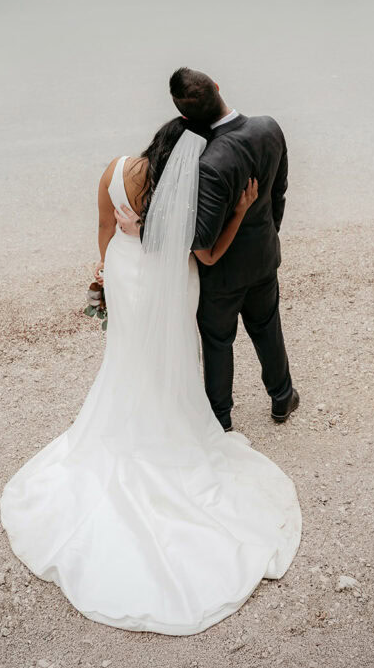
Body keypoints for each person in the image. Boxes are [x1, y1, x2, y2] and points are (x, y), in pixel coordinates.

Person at [0, 117, 301, 636]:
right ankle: (173, 424)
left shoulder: (115, 170)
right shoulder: (176, 193)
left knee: (126, 355)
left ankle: (127, 425)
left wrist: (105, 271)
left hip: (121, 273)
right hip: (164, 283)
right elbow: (204, 253)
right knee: (172, 357)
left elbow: (102, 228)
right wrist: (238, 211)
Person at [118, 69, 298, 433]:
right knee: (267, 327)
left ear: (185, 117)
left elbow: (199, 239)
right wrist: (268, 234)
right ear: (217, 86)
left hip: (223, 274)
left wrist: (141, 228)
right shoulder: (269, 128)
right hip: (264, 255)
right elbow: (279, 192)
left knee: (218, 341)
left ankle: (221, 419)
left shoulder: (210, 163)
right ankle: (282, 397)